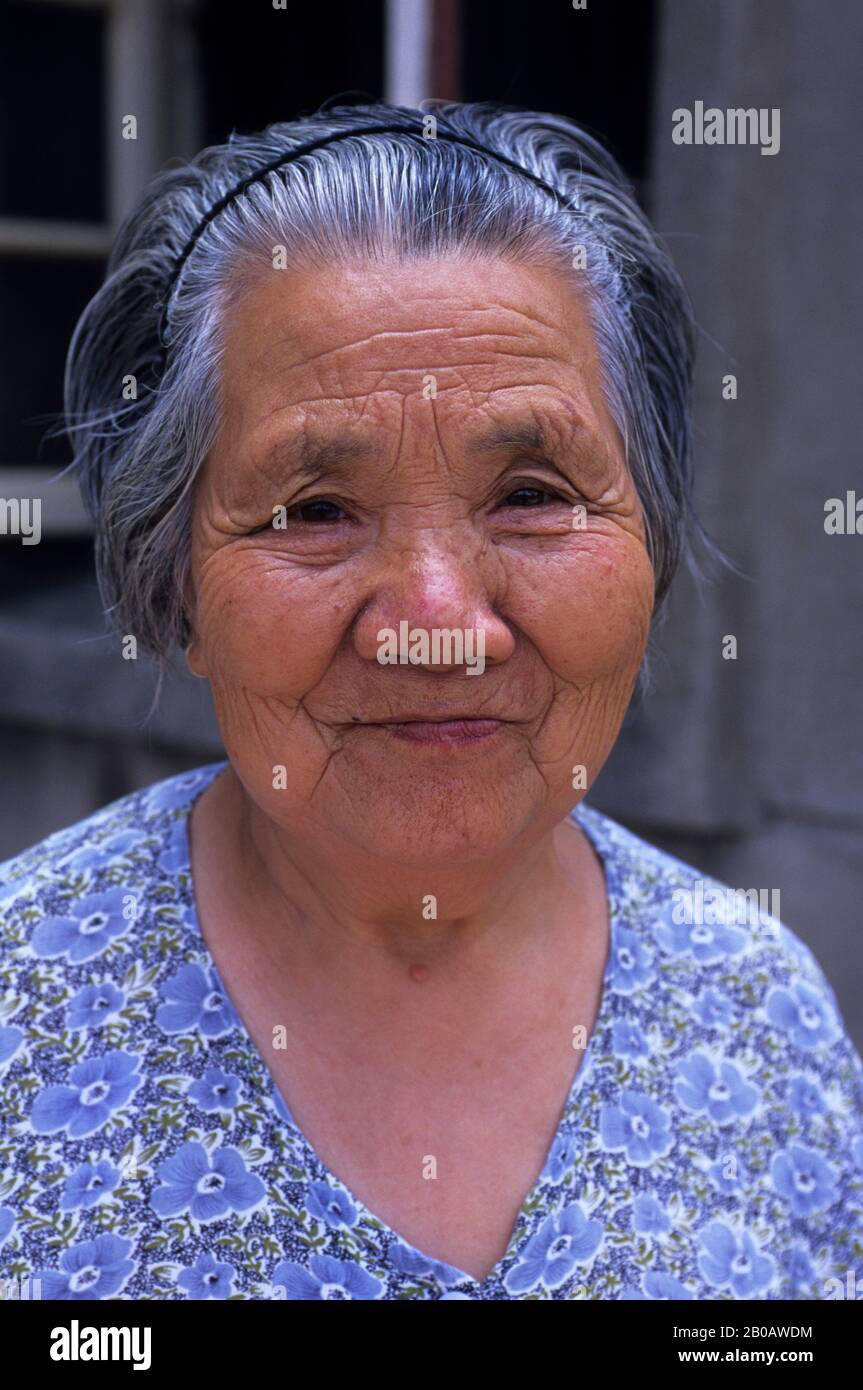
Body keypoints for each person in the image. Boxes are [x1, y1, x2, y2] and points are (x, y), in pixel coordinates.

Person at [1, 101, 860, 1301]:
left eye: (529, 493)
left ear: (650, 548)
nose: (435, 622)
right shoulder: (21, 1007)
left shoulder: (758, 1014)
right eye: (311, 511)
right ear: (175, 582)